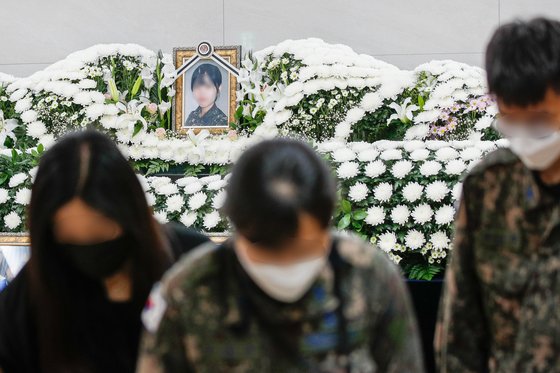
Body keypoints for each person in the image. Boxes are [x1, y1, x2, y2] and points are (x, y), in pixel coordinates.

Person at [137, 138, 424, 372]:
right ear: (237, 225)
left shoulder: (367, 274)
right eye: (267, 248)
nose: (286, 263)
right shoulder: (188, 291)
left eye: (303, 248)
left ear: (327, 222)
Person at [0, 130, 209, 373]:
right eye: (69, 236)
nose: (87, 245)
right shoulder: (38, 285)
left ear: (131, 214)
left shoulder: (191, 261)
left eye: (99, 231)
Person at [435, 17, 560, 372]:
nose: (525, 134)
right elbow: (461, 324)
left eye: (539, 119)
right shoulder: (488, 186)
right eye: (510, 118)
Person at [184, 63, 228, 127]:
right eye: (197, 87)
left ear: (219, 88)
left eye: (208, 87)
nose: (202, 92)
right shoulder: (192, 116)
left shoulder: (223, 121)